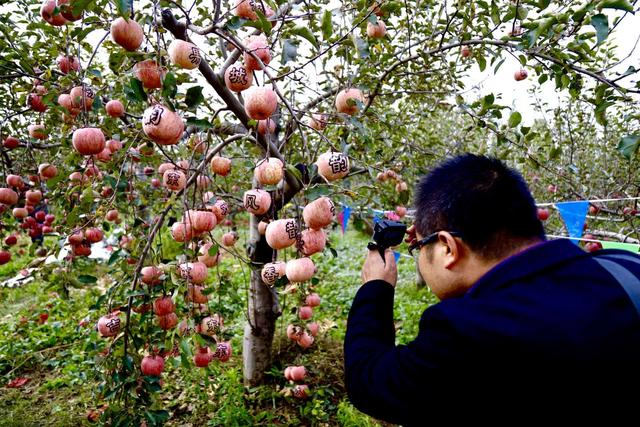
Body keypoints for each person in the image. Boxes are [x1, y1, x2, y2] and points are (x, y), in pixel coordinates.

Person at [344, 154, 640, 424]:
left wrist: (376, 288)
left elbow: (369, 381)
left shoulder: (467, 331)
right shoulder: (625, 266)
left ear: (447, 247)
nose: (418, 254)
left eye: (419, 247)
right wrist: (427, 235)